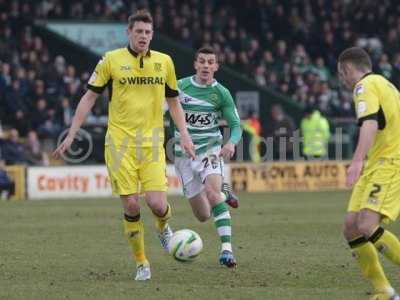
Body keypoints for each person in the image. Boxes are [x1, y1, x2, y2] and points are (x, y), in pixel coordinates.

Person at [54, 10, 195, 281]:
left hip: (152, 144)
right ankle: (142, 263)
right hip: (120, 144)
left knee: (156, 204)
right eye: (139, 31)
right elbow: (88, 98)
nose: (143, 36)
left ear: (152, 35)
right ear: (128, 33)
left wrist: (185, 136)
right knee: (131, 205)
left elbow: (174, 102)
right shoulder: (111, 60)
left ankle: (164, 227)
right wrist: (72, 134)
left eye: (147, 32)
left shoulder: (165, 62)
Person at [338, 47, 400, 300]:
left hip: (389, 163)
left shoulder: (364, 87)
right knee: (351, 227)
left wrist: (356, 161)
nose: (342, 79)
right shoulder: (386, 85)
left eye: (342, 74)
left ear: (348, 69)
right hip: (378, 163)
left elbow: (371, 123)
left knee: (366, 225)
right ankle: (384, 291)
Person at [174, 46, 242, 268]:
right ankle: (224, 190)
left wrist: (231, 142)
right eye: (201, 61)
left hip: (210, 150)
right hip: (183, 156)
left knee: (213, 196)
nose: (205, 65)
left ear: (216, 67)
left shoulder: (221, 93)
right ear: (195, 64)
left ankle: (227, 251)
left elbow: (235, 125)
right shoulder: (180, 87)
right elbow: (160, 111)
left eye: (210, 62)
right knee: (202, 215)